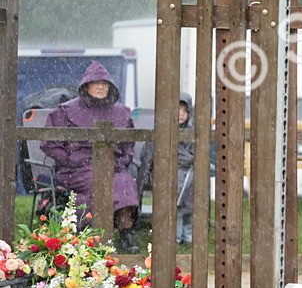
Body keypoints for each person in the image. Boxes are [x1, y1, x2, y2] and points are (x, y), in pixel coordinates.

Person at [42, 61, 140, 251]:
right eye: (96, 83)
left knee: (124, 184)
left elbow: (129, 144)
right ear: (87, 86)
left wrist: (123, 161)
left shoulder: (121, 112)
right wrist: (69, 160)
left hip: (113, 165)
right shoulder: (66, 111)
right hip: (78, 169)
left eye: (105, 83)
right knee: (98, 183)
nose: (101, 87)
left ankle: (125, 234)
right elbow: (48, 143)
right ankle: (90, 236)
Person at [138, 94, 196, 245]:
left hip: (188, 171)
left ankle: (187, 231)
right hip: (166, 170)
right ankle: (174, 232)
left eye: (185, 110)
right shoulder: (161, 129)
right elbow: (150, 154)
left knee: (190, 185)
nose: (181, 114)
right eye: (177, 109)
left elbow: (195, 155)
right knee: (173, 184)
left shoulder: (192, 132)